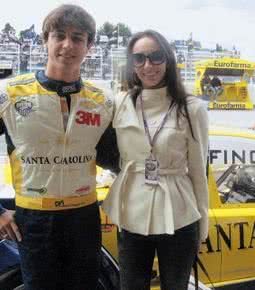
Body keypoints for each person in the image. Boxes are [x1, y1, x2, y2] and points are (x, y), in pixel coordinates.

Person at [0, 4, 119, 290]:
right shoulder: (10, 94)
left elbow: (118, 160)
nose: (68, 45)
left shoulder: (102, 101)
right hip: (35, 220)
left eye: (78, 37)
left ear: (89, 46)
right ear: (45, 40)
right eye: (59, 35)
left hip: (84, 218)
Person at [102, 30, 209, 290]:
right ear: (131, 63)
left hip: (180, 215)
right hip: (131, 212)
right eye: (139, 58)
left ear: (168, 60)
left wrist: (202, 224)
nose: (148, 66)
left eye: (156, 57)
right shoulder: (120, 103)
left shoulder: (192, 108)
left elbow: (197, 170)